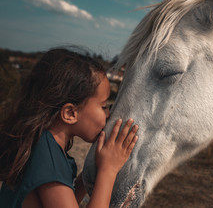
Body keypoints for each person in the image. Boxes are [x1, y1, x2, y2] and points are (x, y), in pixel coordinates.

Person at [0, 47, 138, 208]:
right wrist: (108, 170)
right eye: (104, 106)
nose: (109, 114)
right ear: (70, 113)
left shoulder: (42, 144)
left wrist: (87, 176)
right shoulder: (48, 160)